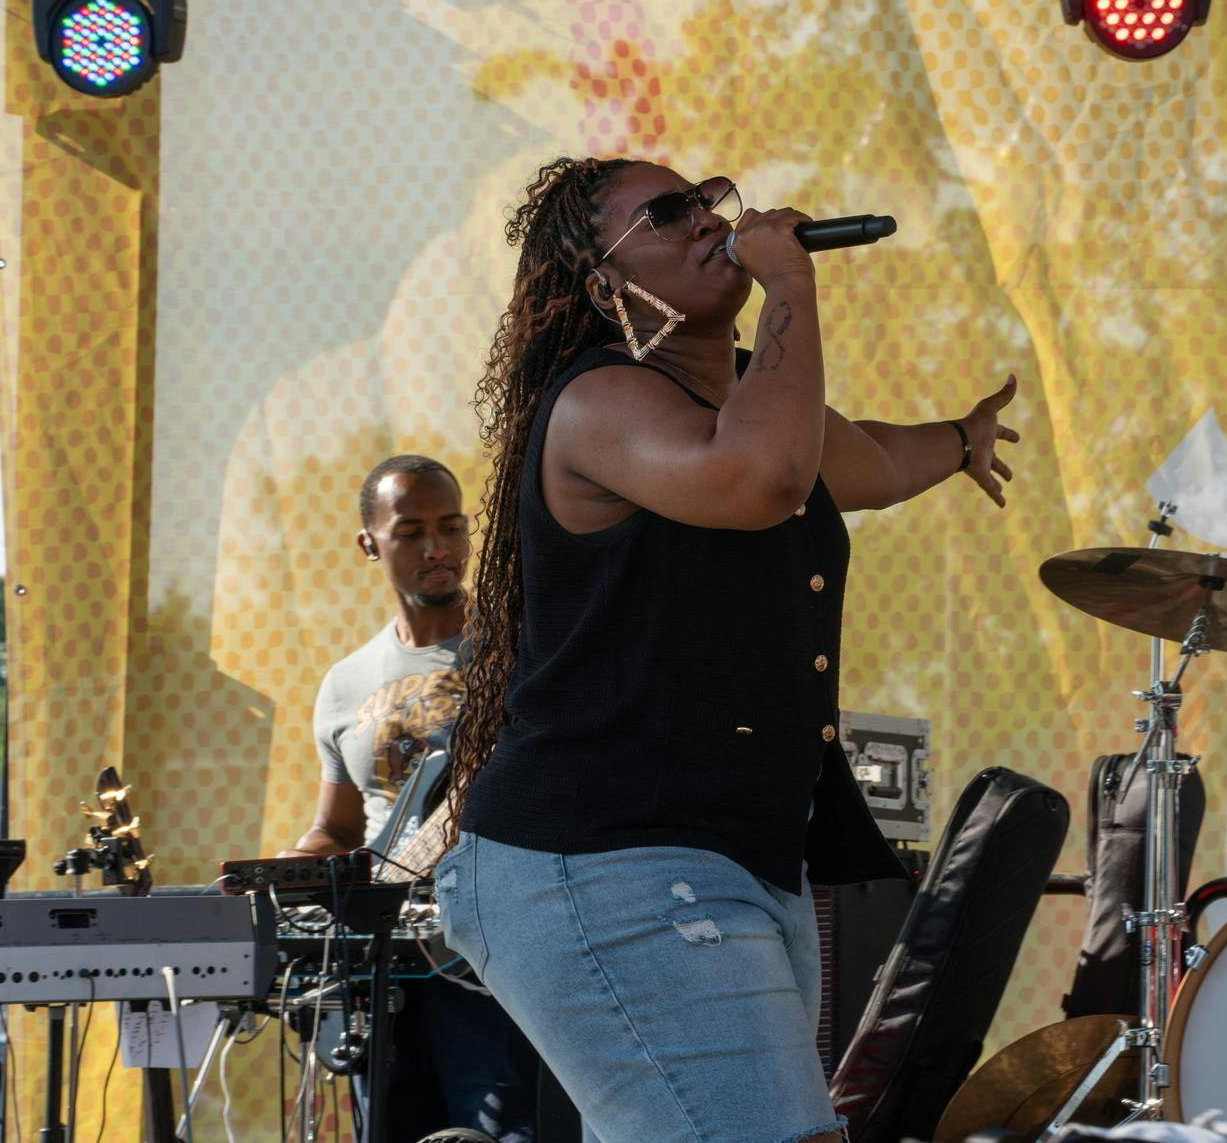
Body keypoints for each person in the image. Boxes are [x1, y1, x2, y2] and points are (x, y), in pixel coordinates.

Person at [436, 157, 1019, 1143]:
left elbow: (863, 463)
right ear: (606, 285)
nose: (710, 219)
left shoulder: (750, 391)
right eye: (667, 214)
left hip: (721, 854)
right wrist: (790, 283)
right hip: (602, 856)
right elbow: (760, 477)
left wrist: (959, 442)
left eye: (708, 197)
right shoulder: (598, 403)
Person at [284, 454, 538, 1143]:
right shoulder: (344, 682)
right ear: (369, 542)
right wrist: (284, 873)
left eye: (452, 526)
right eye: (412, 530)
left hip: (492, 955)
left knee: (505, 1130)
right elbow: (336, 827)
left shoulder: (520, 648)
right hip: (383, 961)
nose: (438, 548)